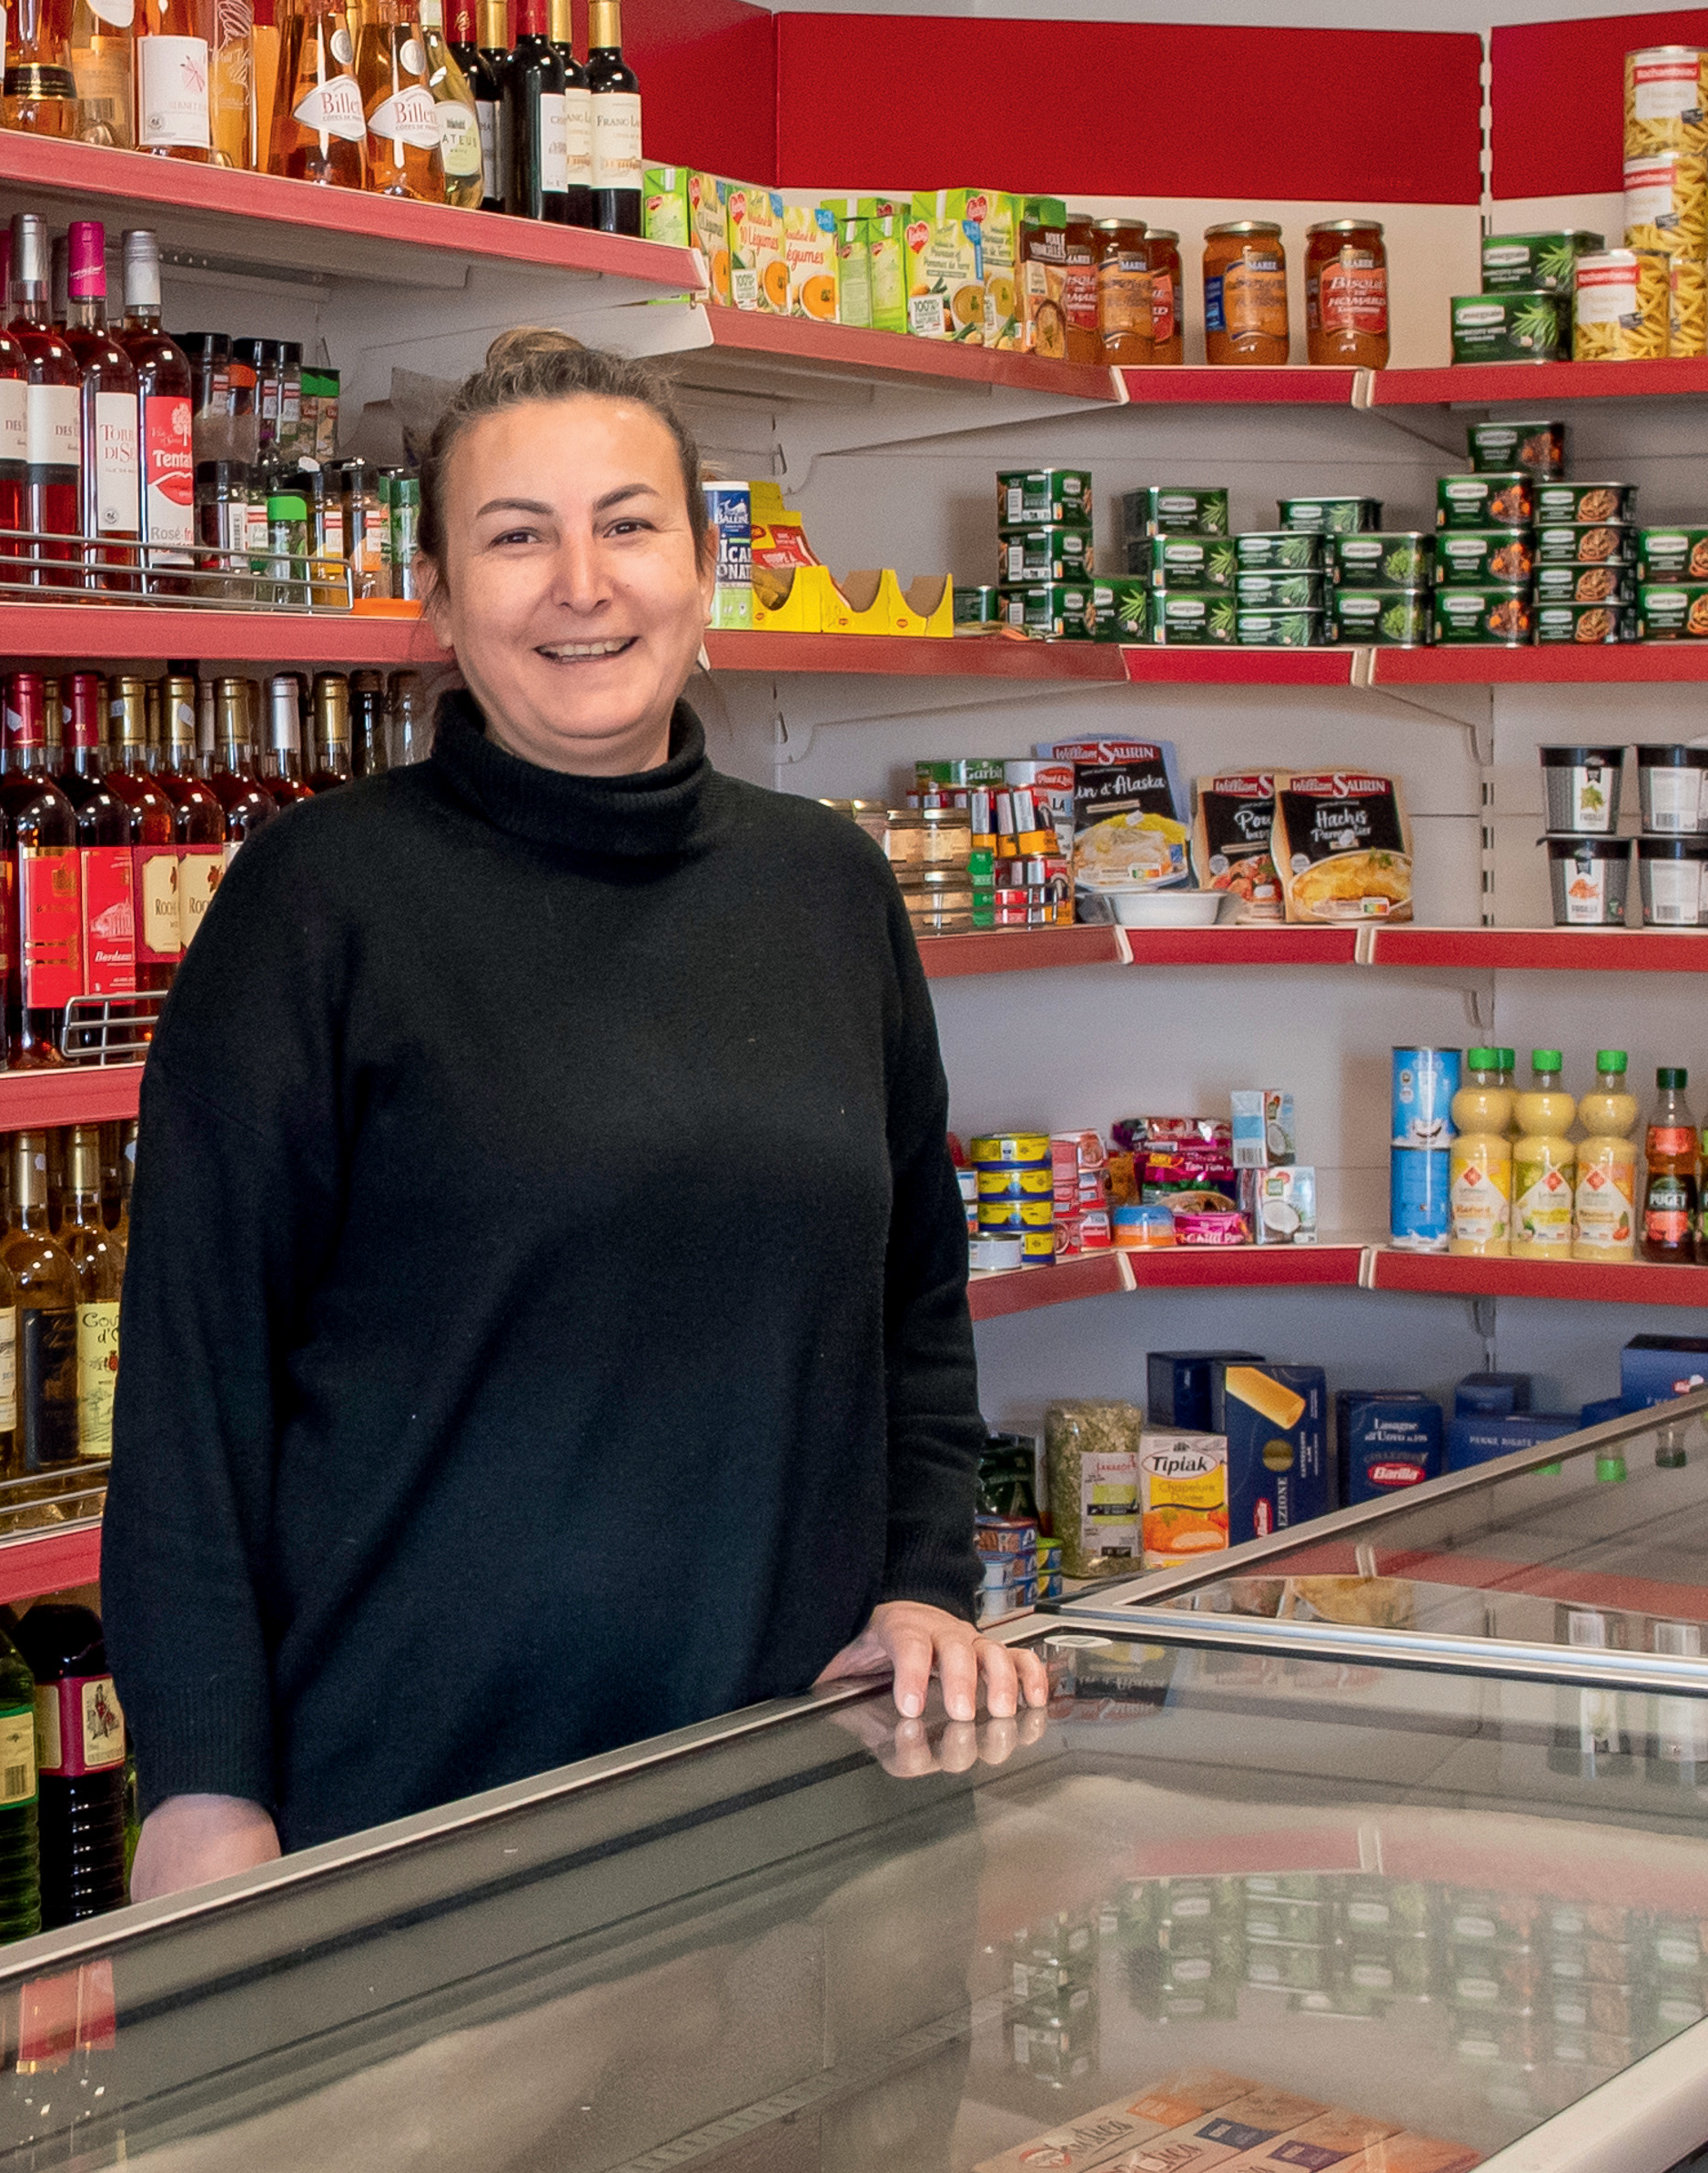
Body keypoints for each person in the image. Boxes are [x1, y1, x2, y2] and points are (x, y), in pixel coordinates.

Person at [103, 326, 1043, 1896]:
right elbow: (194, 1383)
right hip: (412, 1820)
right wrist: (201, 1785)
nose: (581, 585)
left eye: (627, 524)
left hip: (788, 1793)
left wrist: (924, 1583)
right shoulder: (317, 903)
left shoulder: (827, 889)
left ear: (701, 569)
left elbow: (913, 1312)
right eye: (516, 536)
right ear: (440, 598)